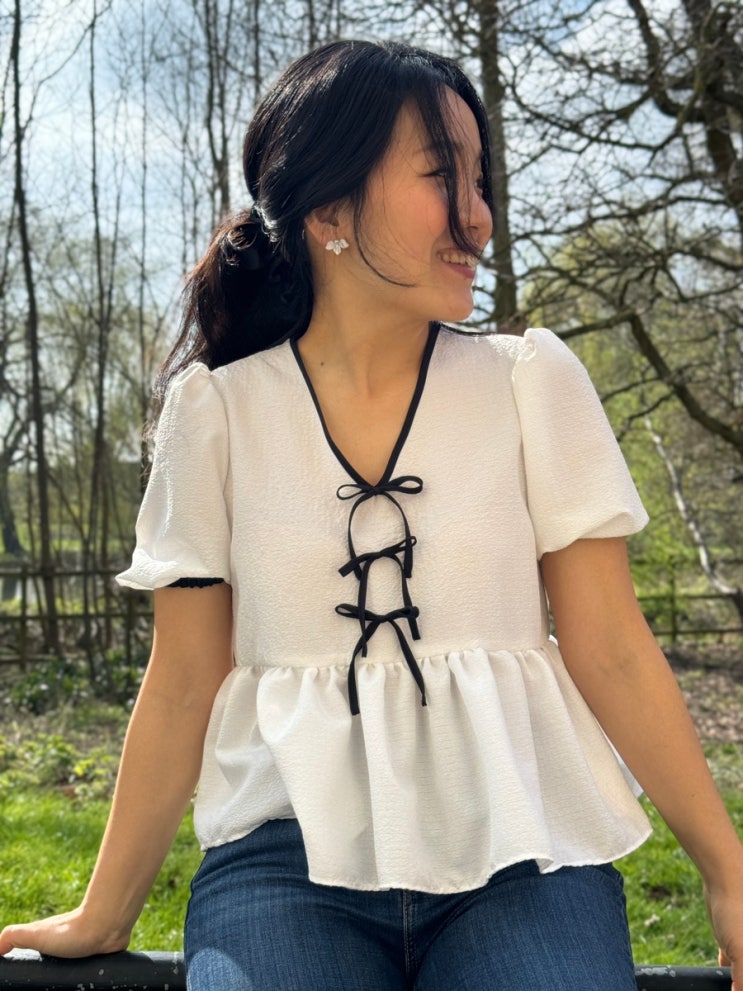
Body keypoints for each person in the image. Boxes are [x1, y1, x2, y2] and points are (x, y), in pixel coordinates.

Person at [0, 39, 740, 991]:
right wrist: (104, 911)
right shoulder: (216, 414)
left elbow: (611, 645)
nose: (477, 216)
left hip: (521, 850)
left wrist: (727, 871)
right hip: (283, 860)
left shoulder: (530, 382)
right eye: (441, 176)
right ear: (328, 212)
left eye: (481, 181)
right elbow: (182, 681)